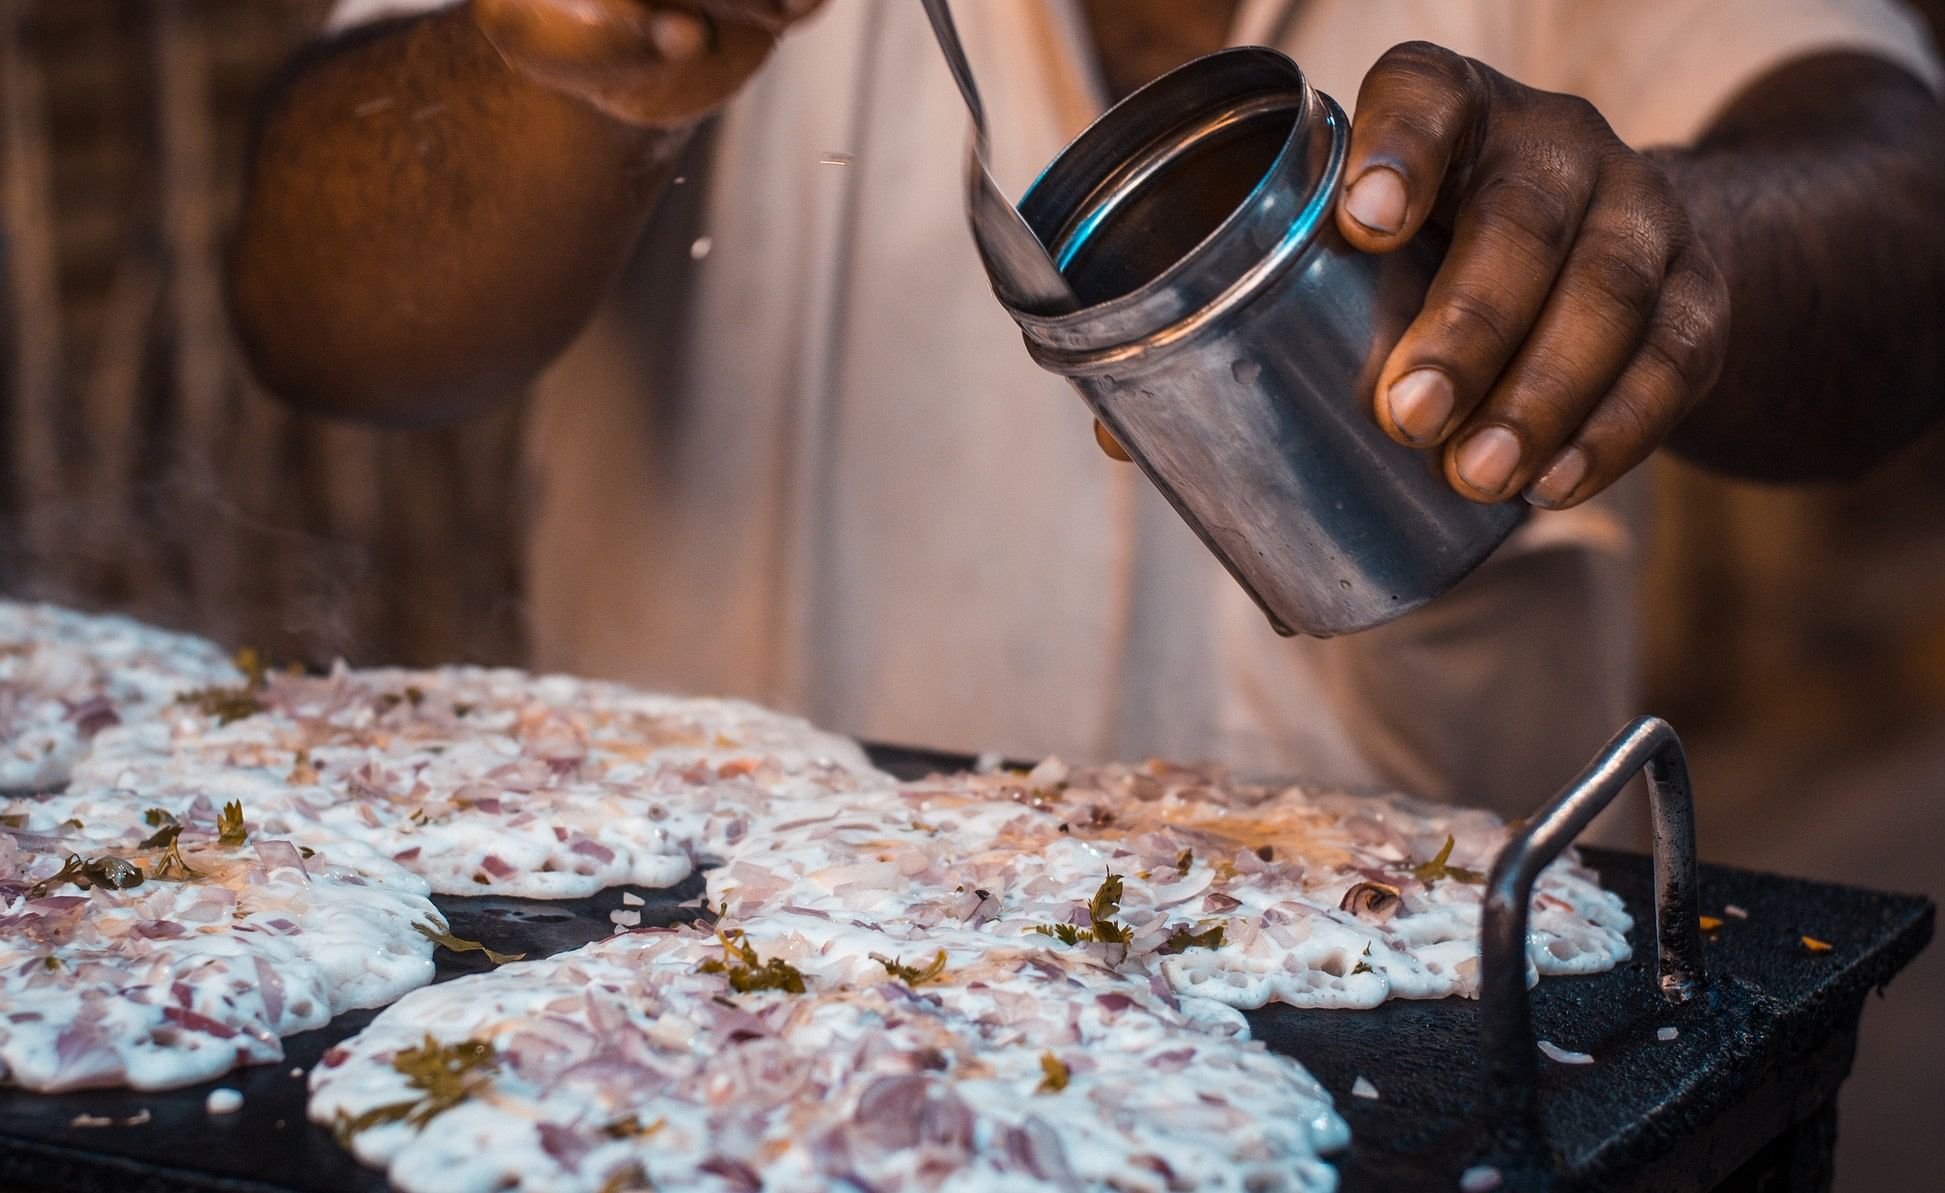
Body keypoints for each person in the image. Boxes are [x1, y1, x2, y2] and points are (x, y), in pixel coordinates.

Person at [226, 1, 1945, 824]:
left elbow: (1894, 192)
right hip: (715, 1011)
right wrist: (558, 61)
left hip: (1415, 1006)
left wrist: (1668, 247)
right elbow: (322, 325)